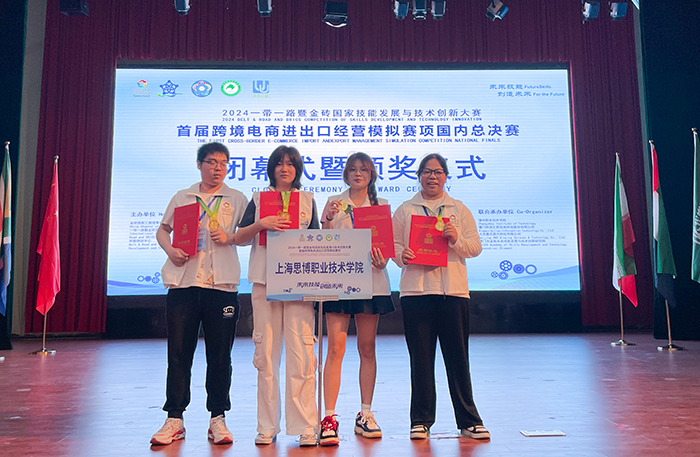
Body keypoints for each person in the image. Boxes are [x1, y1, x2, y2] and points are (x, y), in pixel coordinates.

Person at [150, 142, 248, 446]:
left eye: (223, 163)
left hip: (222, 287)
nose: (218, 168)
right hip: (184, 284)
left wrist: (230, 236)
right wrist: (171, 250)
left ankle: (218, 417)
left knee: (220, 355)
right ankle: (174, 418)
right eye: (211, 162)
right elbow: (162, 230)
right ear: (199, 164)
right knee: (179, 353)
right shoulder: (184, 196)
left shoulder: (237, 198)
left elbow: (248, 237)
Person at [392, 153, 490, 441]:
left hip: (453, 293)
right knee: (421, 361)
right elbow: (393, 246)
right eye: (426, 171)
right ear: (418, 176)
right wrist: (401, 255)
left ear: (446, 176)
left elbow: (475, 247)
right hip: (416, 292)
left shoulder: (459, 209)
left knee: (458, 359)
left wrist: (456, 238)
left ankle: (469, 421)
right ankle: (421, 421)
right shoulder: (405, 210)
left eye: (437, 172)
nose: (432, 176)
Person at [235, 145, 320, 447]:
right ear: (271, 168)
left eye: (291, 164)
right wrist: (261, 223)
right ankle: (267, 426)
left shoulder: (307, 200)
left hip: (298, 284)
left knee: (301, 356)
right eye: (280, 163)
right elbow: (239, 237)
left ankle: (306, 426)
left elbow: (316, 242)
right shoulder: (259, 199)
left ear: (298, 169)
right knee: (266, 357)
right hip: (265, 282)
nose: (285, 169)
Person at [317, 152, 395, 446]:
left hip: (371, 282)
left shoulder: (381, 206)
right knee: (335, 349)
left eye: (364, 169)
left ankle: (365, 413)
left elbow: (386, 248)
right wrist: (326, 219)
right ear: (346, 174)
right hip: (339, 282)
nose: (358, 173)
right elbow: (323, 242)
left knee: (367, 347)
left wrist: (383, 260)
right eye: (353, 169)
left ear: (372, 174)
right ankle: (329, 417)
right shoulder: (334, 203)